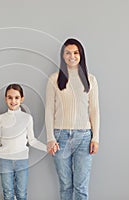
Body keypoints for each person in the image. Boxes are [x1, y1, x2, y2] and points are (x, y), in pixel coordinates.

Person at [45, 38, 100, 200]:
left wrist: (95, 138)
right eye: (68, 53)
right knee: (66, 186)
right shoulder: (54, 79)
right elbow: (49, 110)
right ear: (62, 56)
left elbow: (94, 110)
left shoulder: (91, 80)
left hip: (84, 137)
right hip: (60, 137)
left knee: (81, 187)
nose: (72, 56)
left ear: (81, 55)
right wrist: (50, 138)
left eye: (76, 52)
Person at [0, 84, 46, 200]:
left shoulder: (27, 118)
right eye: (10, 97)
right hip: (5, 161)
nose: (13, 101)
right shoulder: (0, 119)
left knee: (21, 193)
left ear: (21, 99)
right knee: (8, 193)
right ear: (6, 99)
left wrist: (47, 147)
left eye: (16, 97)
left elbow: (32, 140)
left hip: (22, 161)